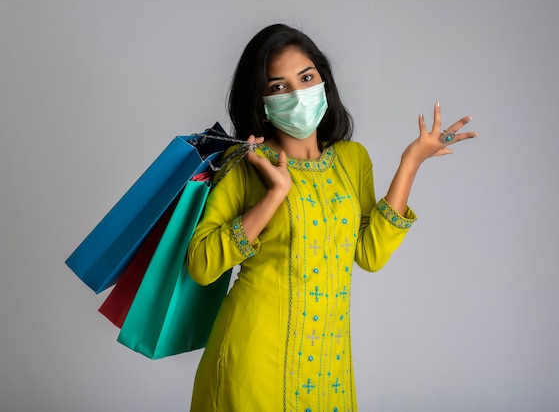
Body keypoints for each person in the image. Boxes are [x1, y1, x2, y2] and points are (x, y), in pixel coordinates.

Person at [186, 23, 477, 411]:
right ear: (261, 99)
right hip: (255, 358)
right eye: (278, 86)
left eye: (306, 78)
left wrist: (410, 164)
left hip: (328, 364)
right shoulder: (245, 164)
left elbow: (369, 255)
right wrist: (274, 195)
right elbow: (202, 266)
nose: (297, 93)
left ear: (323, 79)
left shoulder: (351, 160)